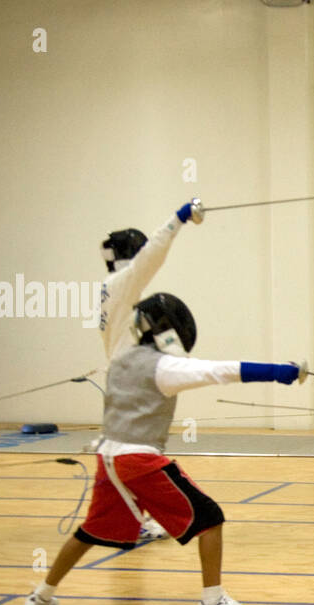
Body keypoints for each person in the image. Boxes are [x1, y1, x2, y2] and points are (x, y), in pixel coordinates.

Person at [24, 273, 308, 605]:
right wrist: (281, 372)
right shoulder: (166, 366)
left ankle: (41, 595)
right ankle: (212, 604)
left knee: (90, 530)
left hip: (108, 458)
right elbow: (221, 371)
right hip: (137, 460)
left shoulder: (120, 357)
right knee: (210, 518)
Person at [95, 200, 201, 543]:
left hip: (125, 375)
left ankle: (127, 521)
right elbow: (154, 254)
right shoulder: (123, 282)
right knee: (137, 454)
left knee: (131, 454)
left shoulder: (114, 286)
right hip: (132, 378)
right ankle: (131, 520)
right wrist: (179, 218)